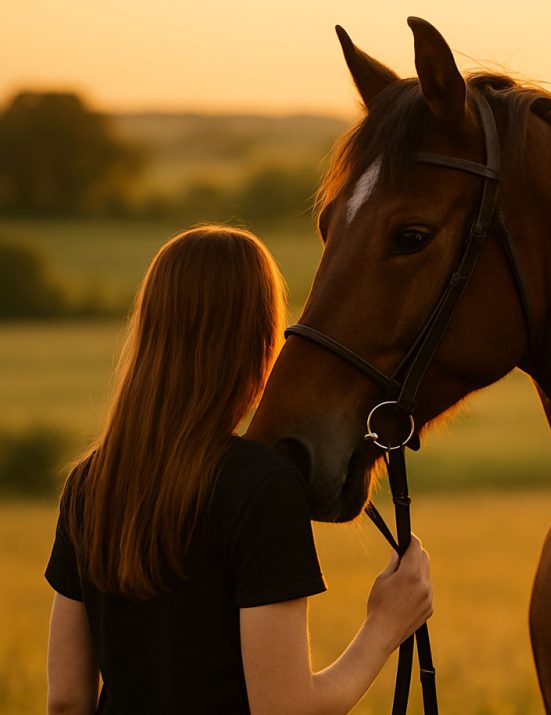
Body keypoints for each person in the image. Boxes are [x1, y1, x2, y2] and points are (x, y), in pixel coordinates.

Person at [45, 225, 433, 715]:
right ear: (259, 344)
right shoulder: (259, 485)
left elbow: (65, 701)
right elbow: (285, 709)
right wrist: (384, 626)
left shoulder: (89, 484)